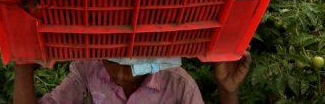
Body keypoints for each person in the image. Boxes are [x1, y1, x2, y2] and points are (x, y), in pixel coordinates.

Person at [13, 51, 251, 104]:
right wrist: (23, 64)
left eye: (134, 65)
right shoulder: (89, 70)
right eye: (111, 61)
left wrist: (227, 90)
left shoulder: (179, 87)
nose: (120, 74)